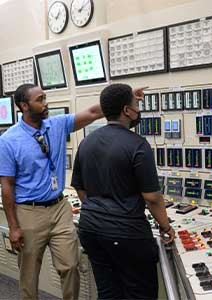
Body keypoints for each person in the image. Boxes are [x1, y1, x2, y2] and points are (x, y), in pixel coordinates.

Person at [0, 83, 145, 300]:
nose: (46, 103)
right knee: (29, 275)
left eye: (45, 97)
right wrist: (13, 227)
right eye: (40, 99)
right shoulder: (9, 141)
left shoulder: (57, 125)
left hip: (59, 208)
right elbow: (7, 185)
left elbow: (94, 112)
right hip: (29, 212)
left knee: (70, 266)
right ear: (24, 106)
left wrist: (125, 97)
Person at [71, 83, 175, 300]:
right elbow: (152, 197)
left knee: (108, 292)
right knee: (140, 294)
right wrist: (165, 226)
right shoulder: (138, 144)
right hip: (127, 234)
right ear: (127, 111)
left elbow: (80, 189)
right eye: (136, 104)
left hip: (90, 228)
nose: (138, 109)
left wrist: (99, 209)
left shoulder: (86, 142)